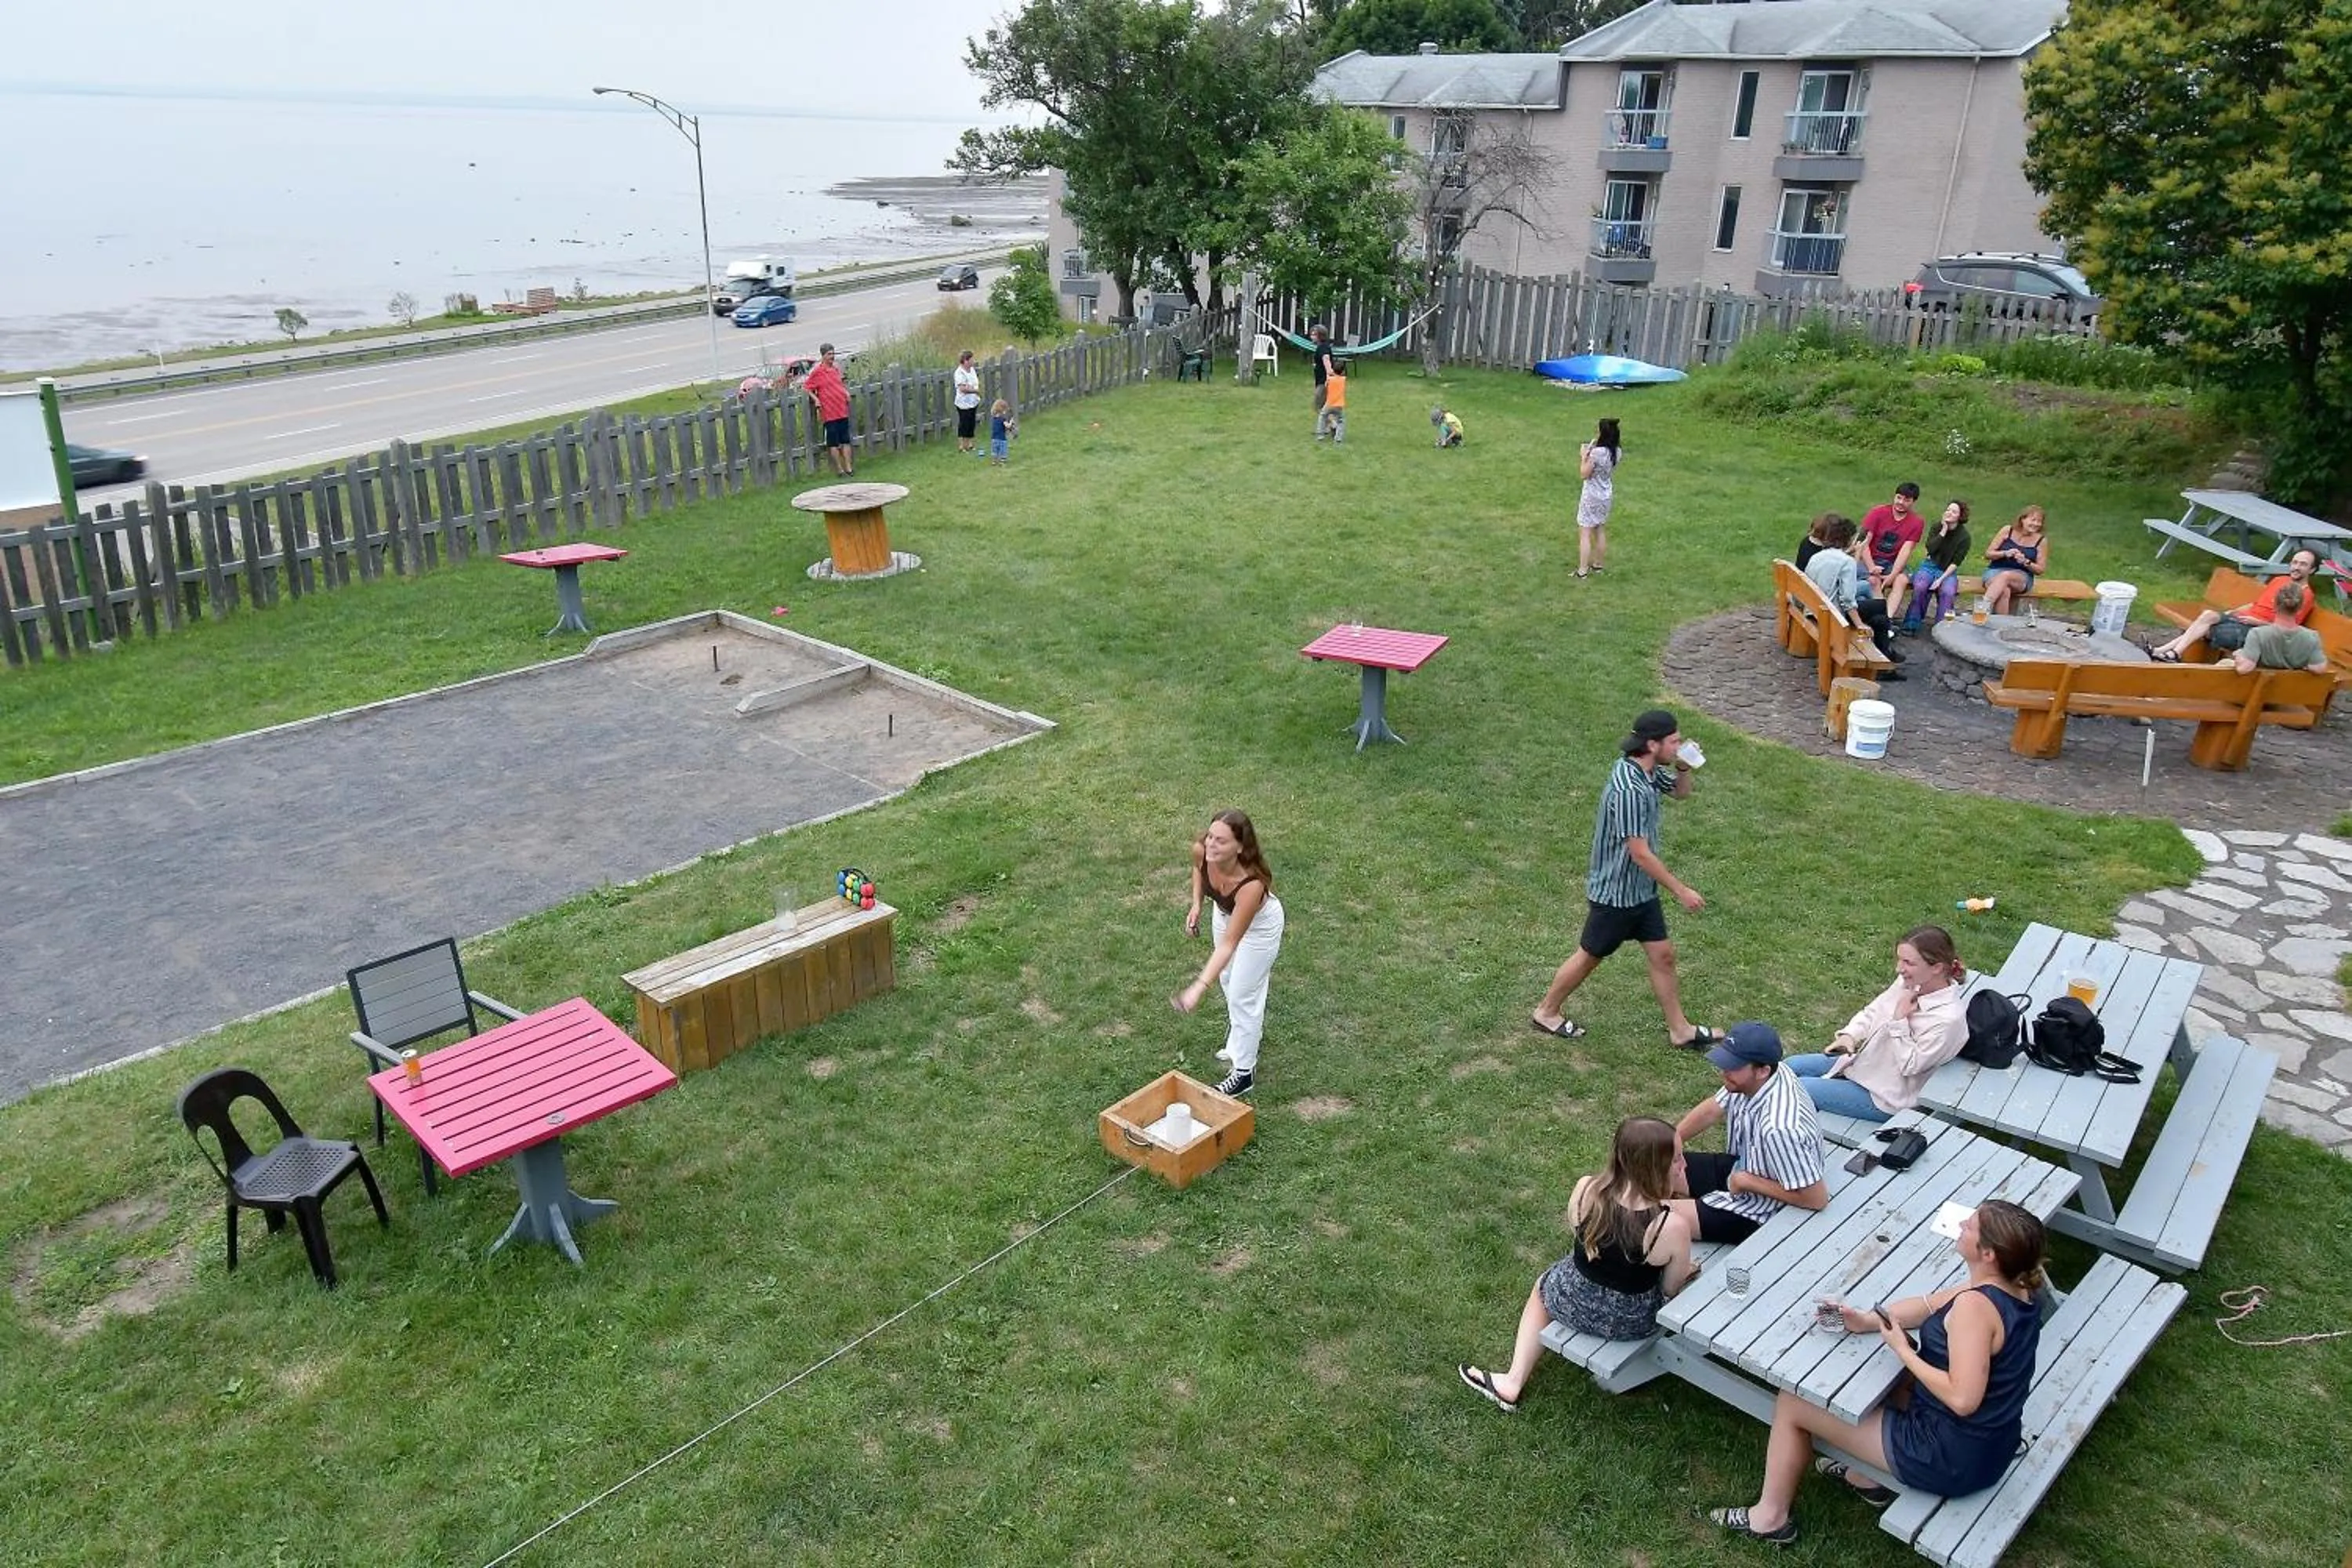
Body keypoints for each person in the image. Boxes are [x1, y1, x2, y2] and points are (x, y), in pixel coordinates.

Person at [1709, 1201, 2048, 1545]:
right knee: (1878, 1381)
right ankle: (1865, 1477)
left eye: (1971, 1225)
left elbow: (1963, 1400)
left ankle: (1770, 1517)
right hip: (1994, 1446)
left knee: (1794, 1401)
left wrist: (1903, 1350)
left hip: (1952, 1457)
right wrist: (1868, 1320)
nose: (1961, 1224)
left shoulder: (1975, 1308)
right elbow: (1929, 1305)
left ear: (1988, 1253)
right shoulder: (2016, 1287)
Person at [1457, 1117, 1699, 1412]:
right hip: (1634, 1322)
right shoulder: (1670, 1225)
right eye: (1676, 1159)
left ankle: (1513, 1380)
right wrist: (1685, 1270)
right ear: (1652, 1167)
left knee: (1542, 1287)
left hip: (1572, 1300)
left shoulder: (1587, 1189)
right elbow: (1670, 1289)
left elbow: (1581, 1240)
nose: (1684, 1165)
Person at [1530, 708, 1718, 1048]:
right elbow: (1640, 853)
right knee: (1589, 955)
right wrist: (1680, 890)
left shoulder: (1646, 772)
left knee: (1663, 955)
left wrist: (1685, 766)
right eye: (1673, 742)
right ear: (1652, 744)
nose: (1678, 745)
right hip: (1616, 895)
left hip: (1640, 892)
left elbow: (1680, 793)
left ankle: (1681, 1030)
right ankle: (1546, 1011)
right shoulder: (1629, 788)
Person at [1784, 927, 1970, 1123]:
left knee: (1796, 1089)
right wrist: (1850, 1035)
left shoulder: (1947, 1020)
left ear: (1937, 968)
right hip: (1865, 1066)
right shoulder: (1910, 983)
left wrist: (1900, 1022)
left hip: (1886, 1097)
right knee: (1789, 1066)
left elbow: (1911, 1066)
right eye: (1899, 959)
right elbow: (1874, 1011)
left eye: (1908, 962)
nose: (1899, 969)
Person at [1668, 1022, 1828, 1247]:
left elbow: (1816, 1198)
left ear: (1762, 1071)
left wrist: (1747, 1182)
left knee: (1654, 1215)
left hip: (1763, 1212)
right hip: (1745, 1167)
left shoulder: (1779, 1129)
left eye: (1733, 1066)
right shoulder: (1763, 1076)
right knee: (1649, 1165)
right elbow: (1713, 1109)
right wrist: (1673, 1139)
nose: (1724, 1072)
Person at [1174, 810, 1284, 1097]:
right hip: (1224, 914)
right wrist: (1197, 904)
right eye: (1210, 836)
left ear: (1240, 846)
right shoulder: (1202, 850)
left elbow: (1228, 945)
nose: (1211, 844)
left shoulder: (1252, 885)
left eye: (1221, 841)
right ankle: (1238, 1044)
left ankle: (1244, 1072)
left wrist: (1197, 988)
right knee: (1228, 980)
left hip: (1260, 927)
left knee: (1242, 994)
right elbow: (1198, 870)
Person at [2151, 547, 2322, 661]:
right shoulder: (2279, 580)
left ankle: (2171, 653)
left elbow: (2288, 628)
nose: (2296, 567)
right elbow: (2256, 604)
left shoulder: (2305, 595)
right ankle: (2165, 652)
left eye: (2303, 564)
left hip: (2258, 632)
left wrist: (2258, 622)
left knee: (2207, 629)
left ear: (2312, 570)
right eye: (2294, 562)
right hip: (2243, 620)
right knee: (2209, 616)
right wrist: (2232, 611)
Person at [1802, 514, 1904, 677]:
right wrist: (1859, 625)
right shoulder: (1846, 562)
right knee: (1879, 607)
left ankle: (1886, 654)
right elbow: (1848, 600)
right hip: (1833, 616)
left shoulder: (1817, 556)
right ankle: (1886, 657)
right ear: (1849, 540)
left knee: (1879, 618)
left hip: (1815, 610)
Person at [1898, 501, 1973, 632]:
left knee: (1948, 592)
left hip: (1948, 571)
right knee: (1920, 587)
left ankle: (1942, 629)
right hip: (1929, 566)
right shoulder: (1937, 527)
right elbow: (1931, 549)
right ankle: (1911, 625)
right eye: (1948, 510)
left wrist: (1940, 580)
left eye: (1954, 512)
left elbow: (1956, 562)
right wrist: (1943, 531)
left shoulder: (1964, 537)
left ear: (1960, 517)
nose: (1949, 513)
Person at [2230, 583, 2333, 672]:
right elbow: (2319, 668)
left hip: (2260, 691)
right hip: (2290, 691)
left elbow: (2244, 669)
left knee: (2225, 664)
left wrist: (2239, 655)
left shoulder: (2258, 634)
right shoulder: (2312, 637)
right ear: (2300, 609)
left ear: (2274, 605)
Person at [1859, 482, 1926, 601]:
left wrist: (1893, 575)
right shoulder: (1877, 512)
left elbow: (1906, 551)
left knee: (1902, 580)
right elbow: (1864, 544)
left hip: (1892, 562)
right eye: (1899, 497)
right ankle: (1879, 612)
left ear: (1913, 502)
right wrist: (1872, 568)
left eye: (1906, 500)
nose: (1900, 502)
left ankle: (1888, 615)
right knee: (1874, 581)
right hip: (1868, 559)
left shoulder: (1917, 522)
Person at [1979, 506, 2048, 615]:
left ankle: (1982, 609)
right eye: (2033, 520)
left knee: (2006, 576)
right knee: (2004, 591)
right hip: (1995, 571)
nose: (2036, 524)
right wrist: (2005, 553)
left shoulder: (2041, 541)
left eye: (2039, 521)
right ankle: (2002, 627)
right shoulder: (2007, 530)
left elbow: (2040, 570)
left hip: (2021, 578)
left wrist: (2026, 562)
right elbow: (1988, 554)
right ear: (2022, 519)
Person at [1576, 418, 1620, 579]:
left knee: (1585, 531)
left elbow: (1584, 474)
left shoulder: (1596, 454)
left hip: (1592, 495)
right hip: (1605, 494)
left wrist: (1584, 457)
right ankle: (1598, 565)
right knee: (1600, 528)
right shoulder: (1616, 451)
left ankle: (1582, 570)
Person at [804, 343, 853, 477]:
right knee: (833, 443)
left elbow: (840, 384)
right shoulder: (817, 372)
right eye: (829, 354)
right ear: (823, 356)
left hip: (841, 409)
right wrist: (816, 399)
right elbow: (807, 387)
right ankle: (839, 470)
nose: (832, 357)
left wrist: (846, 392)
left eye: (833, 354)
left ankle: (849, 467)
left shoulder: (836, 370)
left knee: (846, 440)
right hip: (829, 413)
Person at [1309, 324, 1340, 439]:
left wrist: (1329, 375)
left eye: (1314, 334)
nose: (1312, 336)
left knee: (1318, 405)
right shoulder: (1322, 346)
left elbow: (1326, 360)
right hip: (1321, 380)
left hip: (1324, 381)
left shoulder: (1323, 348)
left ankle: (1334, 425)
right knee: (1324, 405)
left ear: (1320, 336)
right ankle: (1328, 428)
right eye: (1311, 334)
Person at [953, 350, 982, 455]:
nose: (973, 361)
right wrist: (974, 390)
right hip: (963, 403)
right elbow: (962, 388)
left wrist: (973, 389)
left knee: (971, 422)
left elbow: (973, 383)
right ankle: (962, 445)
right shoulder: (959, 372)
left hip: (973, 401)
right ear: (965, 361)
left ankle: (970, 444)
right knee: (964, 423)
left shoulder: (972, 370)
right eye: (971, 359)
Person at [1317, 365, 1347, 444]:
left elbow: (1326, 385)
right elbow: (1342, 376)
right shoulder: (1343, 380)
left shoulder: (1330, 380)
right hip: (1339, 404)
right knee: (1341, 421)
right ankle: (1338, 438)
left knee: (1322, 416)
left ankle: (1320, 435)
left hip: (1329, 403)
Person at [988, 398, 1015, 465]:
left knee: (995, 450)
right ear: (1002, 410)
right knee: (1003, 450)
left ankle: (994, 461)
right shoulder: (1003, 419)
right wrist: (1011, 422)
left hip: (994, 438)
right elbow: (1008, 426)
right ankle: (1002, 461)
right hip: (1001, 438)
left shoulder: (994, 419)